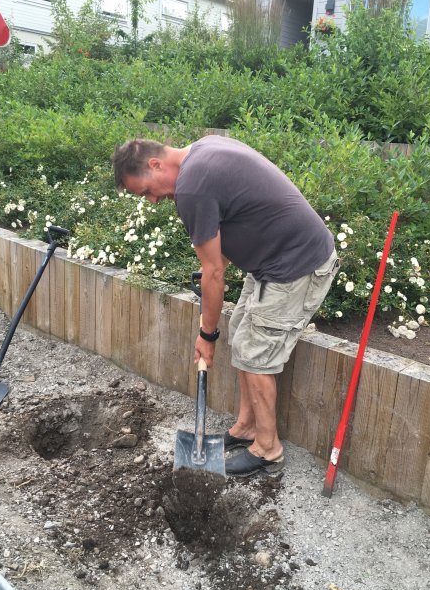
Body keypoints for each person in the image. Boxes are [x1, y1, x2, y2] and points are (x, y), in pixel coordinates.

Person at [112, 135, 339, 477]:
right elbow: (229, 238)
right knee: (243, 333)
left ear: (155, 164)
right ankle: (247, 428)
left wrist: (207, 335)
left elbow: (214, 271)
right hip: (272, 261)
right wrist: (214, 277)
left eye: (146, 191)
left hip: (295, 266)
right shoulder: (204, 149)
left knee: (255, 354)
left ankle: (268, 450)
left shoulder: (191, 188)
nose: (154, 200)